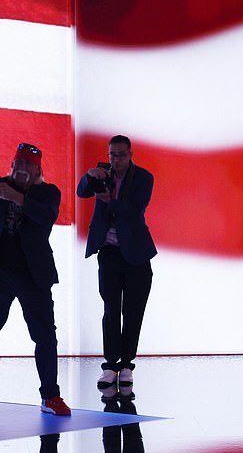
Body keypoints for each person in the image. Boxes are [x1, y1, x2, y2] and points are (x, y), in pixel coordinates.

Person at [0, 143, 71, 418]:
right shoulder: (0, 185)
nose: (21, 170)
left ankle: (50, 396)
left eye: (28, 166)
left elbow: (47, 216)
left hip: (34, 275)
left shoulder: (48, 192)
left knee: (45, 337)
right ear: (12, 166)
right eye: (18, 164)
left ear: (38, 170)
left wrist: (17, 198)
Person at [76, 135, 156, 389]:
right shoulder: (103, 173)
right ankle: (110, 365)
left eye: (121, 155)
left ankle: (127, 365)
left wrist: (111, 202)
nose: (116, 160)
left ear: (131, 154)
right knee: (111, 310)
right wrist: (90, 175)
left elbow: (135, 210)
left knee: (133, 312)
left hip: (136, 254)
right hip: (109, 252)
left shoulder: (143, 177)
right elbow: (81, 191)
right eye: (112, 154)